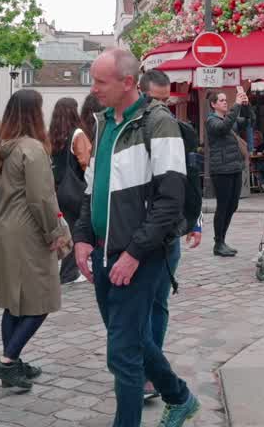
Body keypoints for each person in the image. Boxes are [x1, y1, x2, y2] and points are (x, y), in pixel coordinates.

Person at [72, 48, 200, 427]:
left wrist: (134, 253)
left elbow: (170, 200)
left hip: (139, 256)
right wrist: (82, 235)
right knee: (132, 338)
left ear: (128, 83)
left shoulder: (158, 123)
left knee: (123, 353)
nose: (93, 88)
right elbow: (92, 188)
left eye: (100, 81)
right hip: (103, 252)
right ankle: (180, 397)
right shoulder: (103, 123)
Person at [0, 89, 68, 391]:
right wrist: (54, 234)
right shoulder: (32, 149)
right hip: (29, 231)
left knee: (14, 302)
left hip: (5, 228)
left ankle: (14, 366)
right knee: (41, 300)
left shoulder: (2, 147)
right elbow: (41, 199)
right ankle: (7, 361)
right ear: (36, 113)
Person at [140, 69, 204, 402]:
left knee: (157, 302)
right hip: (134, 231)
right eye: (155, 100)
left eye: (167, 102)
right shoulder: (130, 129)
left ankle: (151, 370)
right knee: (138, 306)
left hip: (167, 233)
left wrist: (196, 223)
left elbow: (192, 182)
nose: (161, 108)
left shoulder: (181, 132)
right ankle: (141, 367)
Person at [49, 98, 91, 285]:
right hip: (74, 189)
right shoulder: (77, 133)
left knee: (66, 229)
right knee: (75, 230)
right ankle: (69, 273)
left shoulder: (53, 135)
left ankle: (67, 271)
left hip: (57, 189)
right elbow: (86, 162)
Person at [206, 88, 250, 257]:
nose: (225, 102)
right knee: (223, 206)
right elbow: (224, 128)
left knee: (233, 205)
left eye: (226, 100)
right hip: (221, 170)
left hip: (234, 167)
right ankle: (218, 243)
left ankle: (222, 240)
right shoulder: (211, 121)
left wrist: (245, 105)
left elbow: (246, 121)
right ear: (213, 104)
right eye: (222, 100)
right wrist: (236, 105)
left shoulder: (227, 118)